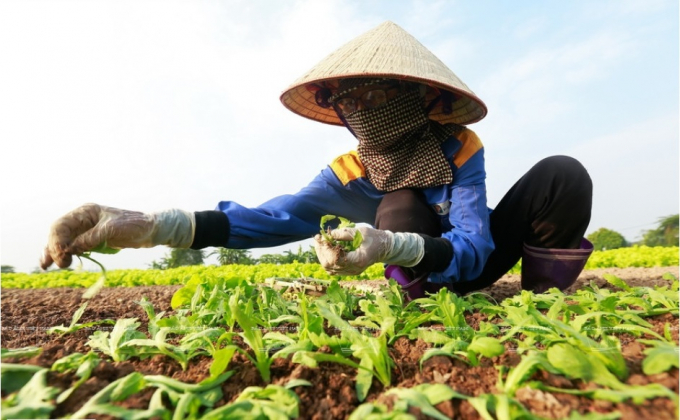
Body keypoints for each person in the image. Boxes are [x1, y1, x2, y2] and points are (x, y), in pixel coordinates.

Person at [40, 21, 593, 299]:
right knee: (398, 203)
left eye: (375, 95)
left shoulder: (459, 150)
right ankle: (418, 301)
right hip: (420, 284)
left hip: (468, 264)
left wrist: (391, 244)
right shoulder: (349, 172)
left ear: (413, 97)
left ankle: (543, 304)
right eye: (351, 101)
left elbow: (475, 246)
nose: (360, 110)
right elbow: (272, 218)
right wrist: (148, 225)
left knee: (562, 175)